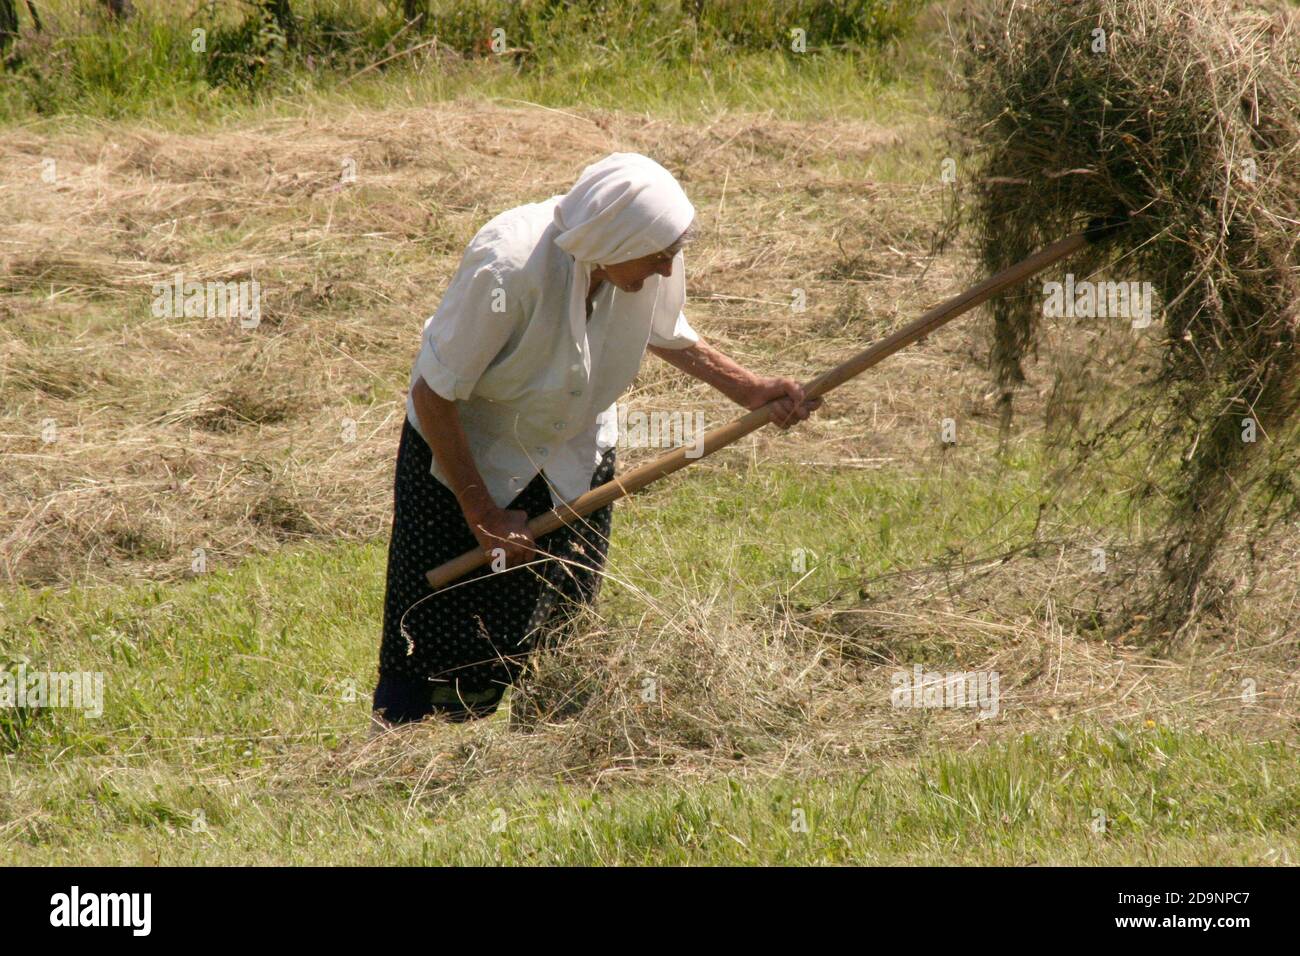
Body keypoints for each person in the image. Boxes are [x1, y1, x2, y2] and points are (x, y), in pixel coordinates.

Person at [372, 152, 820, 728]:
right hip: (464, 453)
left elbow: (665, 329)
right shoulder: (506, 268)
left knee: (563, 618)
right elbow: (435, 397)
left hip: (571, 452)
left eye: (670, 256)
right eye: (659, 257)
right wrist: (482, 510)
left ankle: (548, 751)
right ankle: (407, 748)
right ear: (612, 239)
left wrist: (748, 387)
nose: (665, 270)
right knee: (437, 620)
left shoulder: (642, 250)